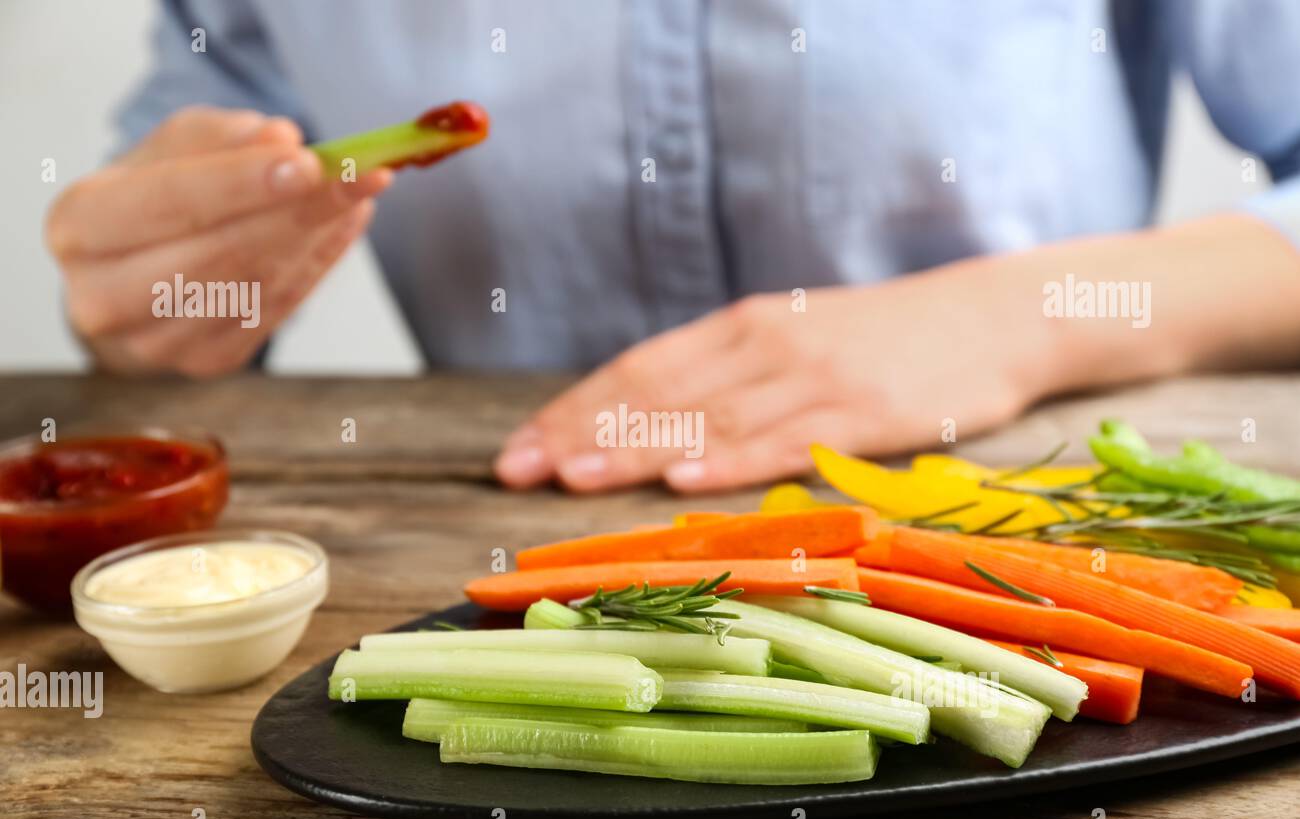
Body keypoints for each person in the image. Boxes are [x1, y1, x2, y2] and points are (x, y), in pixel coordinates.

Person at [45, 1, 1300, 494]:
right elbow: (153, 304)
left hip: (1034, 514)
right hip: (510, 519)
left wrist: (1011, 319)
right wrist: (153, 304)